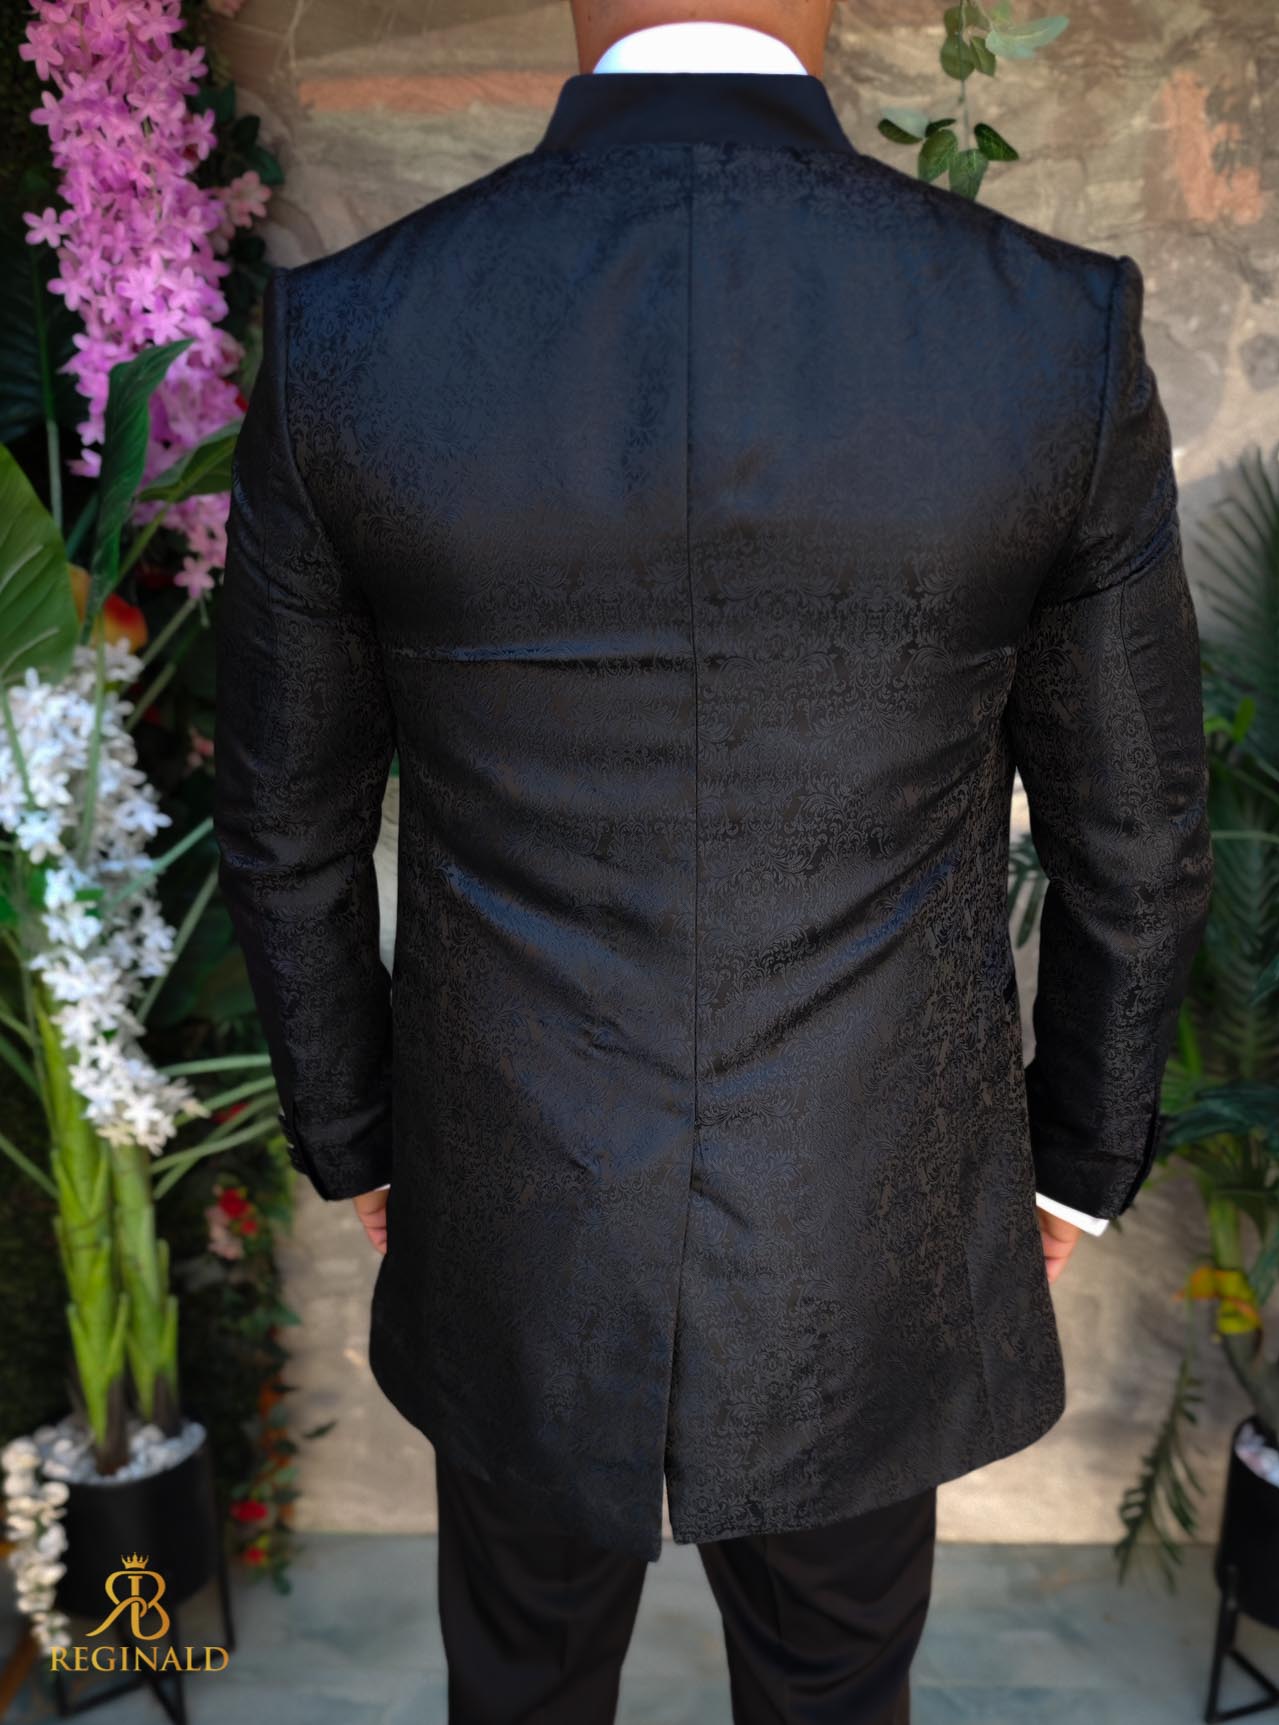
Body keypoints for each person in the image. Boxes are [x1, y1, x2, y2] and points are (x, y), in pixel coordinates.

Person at [211, 3, 1214, 1719]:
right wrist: (1073, 1161)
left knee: (521, 1681)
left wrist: (359, 1132)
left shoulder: (356, 330)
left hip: (515, 1203)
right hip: (862, 1210)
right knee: (834, 1684)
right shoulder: (1045, 327)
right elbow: (1136, 835)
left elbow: (285, 824)